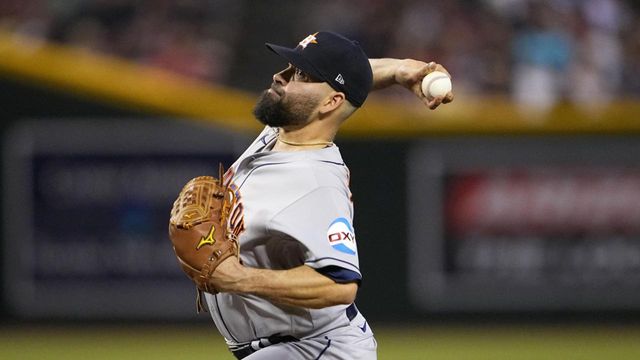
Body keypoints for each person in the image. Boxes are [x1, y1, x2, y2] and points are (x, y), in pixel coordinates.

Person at [201, 31, 452, 359]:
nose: (281, 77)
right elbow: (347, 78)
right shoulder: (282, 132)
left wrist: (238, 278)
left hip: (312, 349)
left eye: (300, 74)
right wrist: (399, 69)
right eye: (289, 66)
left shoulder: (316, 183)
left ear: (331, 102)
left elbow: (339, 284)